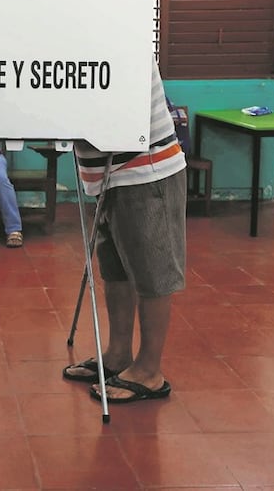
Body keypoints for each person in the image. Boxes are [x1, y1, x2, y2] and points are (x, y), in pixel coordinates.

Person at [61, 57, 186, 404]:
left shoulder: (118, 29)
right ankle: (118, 354)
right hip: (107, 173)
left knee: (152, 272)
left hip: (145, 168)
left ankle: (149, 371)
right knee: (115, 269)